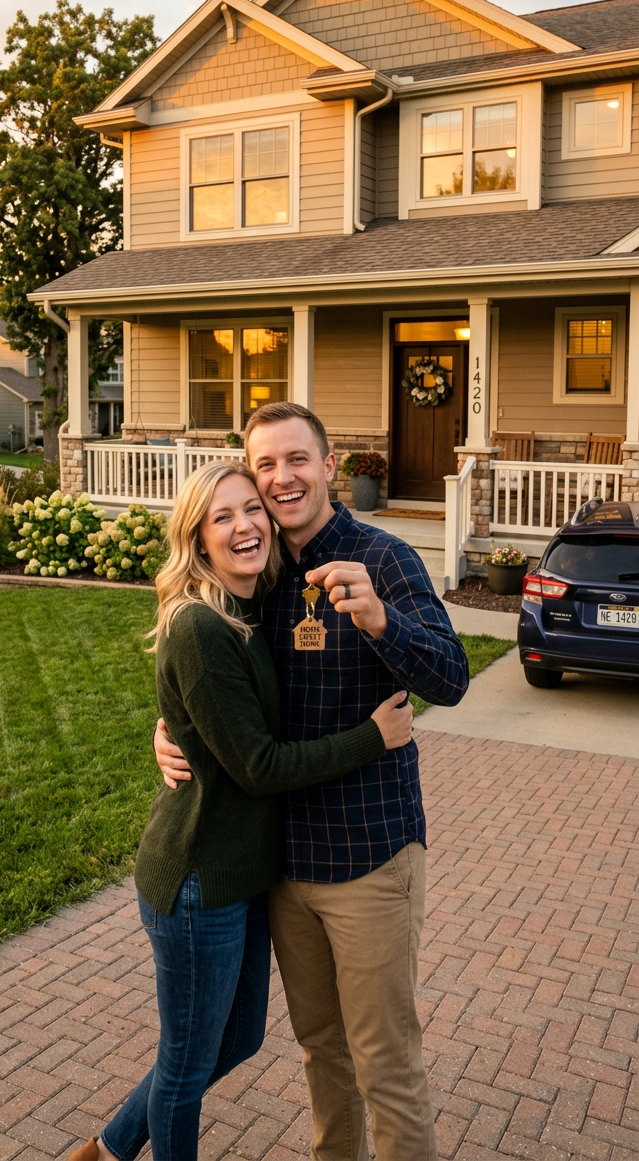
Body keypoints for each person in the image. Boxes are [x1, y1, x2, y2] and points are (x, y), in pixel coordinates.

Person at [66, 459, 414, 1161]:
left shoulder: (255, 602)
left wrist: (171, 726)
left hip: (245, 874)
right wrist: (374, 737)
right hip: (198, 879)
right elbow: (257, 766)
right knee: (188, 1065)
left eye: (250, 508)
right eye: (221, 517)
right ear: (196, 539)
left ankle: (106, 1148)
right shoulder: (200, 625)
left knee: (237, 1040)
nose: (245, 525)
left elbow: (216, 717)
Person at [155, 402, 469, 1161]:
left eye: (297, 459)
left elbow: (453, 678)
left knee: (385, 1063)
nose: (281, 478)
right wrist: (169, 730)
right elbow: (208, 673)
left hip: (368, 856)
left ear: (330, 467)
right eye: (266, 465)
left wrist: (380, 622)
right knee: (320, 1052)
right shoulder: (257, 571)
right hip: (286, 865)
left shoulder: (383, 558)